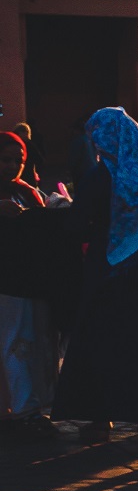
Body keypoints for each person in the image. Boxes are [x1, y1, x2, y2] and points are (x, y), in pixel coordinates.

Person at [51, 108, 138, 440]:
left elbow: (75, 224)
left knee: (102, 342)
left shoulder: (101, 177)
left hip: (106, 272)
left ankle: (101, 416)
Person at [0, 132, 59, 440]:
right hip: (7, 284)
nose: (12, 166)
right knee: (15, 346)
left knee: (32, 344)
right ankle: (21, 410)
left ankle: (32, 407)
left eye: (18, 161)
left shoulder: (28, 191)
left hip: (31, 281)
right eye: (5, 159)